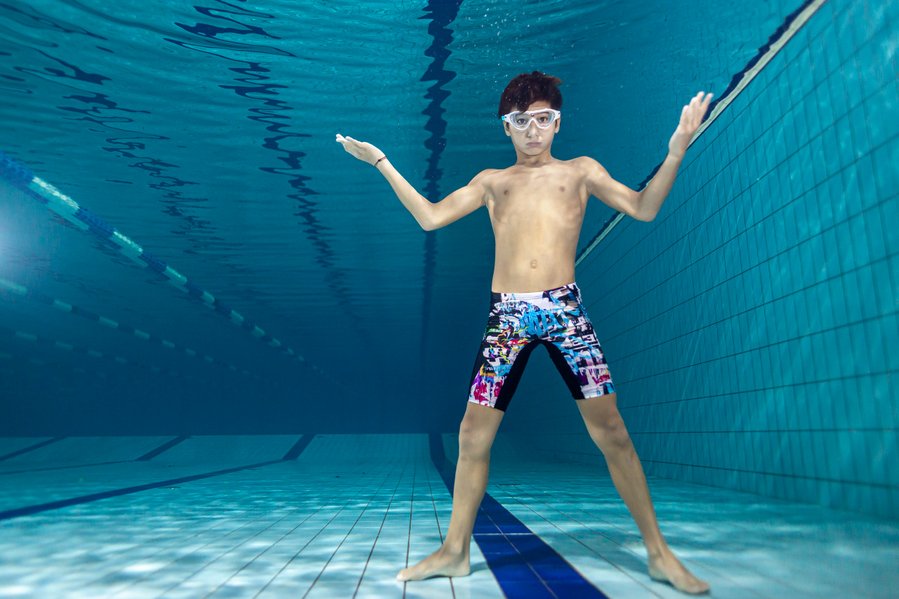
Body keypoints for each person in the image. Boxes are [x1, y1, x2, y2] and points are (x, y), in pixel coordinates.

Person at [336, 71, 712, 595]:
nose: (532, 131)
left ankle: (658, 553)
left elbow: (643, 208)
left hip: (565, 312)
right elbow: (430, 218)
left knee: (612, 432)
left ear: (558, 123)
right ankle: (455, 551)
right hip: (508, 317)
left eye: (542, 119)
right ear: (506, 127)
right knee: (472, 435)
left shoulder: (581, 171)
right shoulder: (493, 182)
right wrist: (381, 161)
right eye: (521, 121)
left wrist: (675, 151)